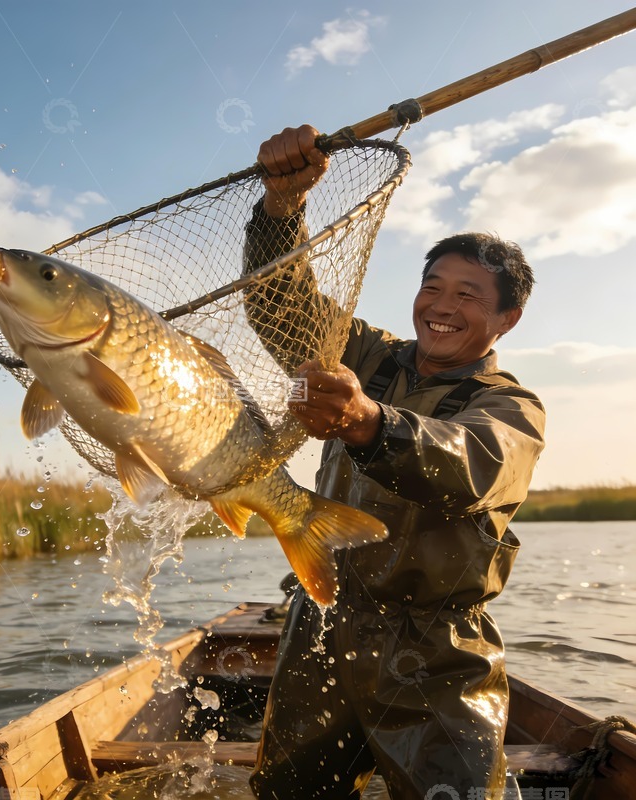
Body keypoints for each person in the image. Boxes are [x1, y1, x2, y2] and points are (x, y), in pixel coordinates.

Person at [242, 125, 546, 800]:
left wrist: (366, 421)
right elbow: (280, 304)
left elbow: (472, 463)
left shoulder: (512, 407)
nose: (441, 306)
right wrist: (279, 212)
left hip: (435, 655)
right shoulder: (368, 353)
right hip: (318, 629)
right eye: (433, 286)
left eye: (468, 295)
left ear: (508, 319)